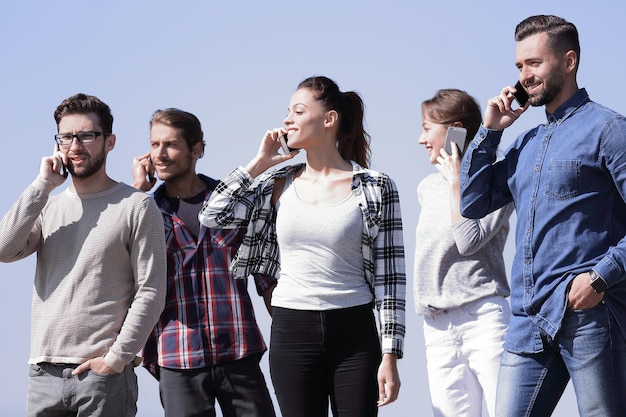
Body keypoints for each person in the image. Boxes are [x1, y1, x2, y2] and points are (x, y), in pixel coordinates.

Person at [199, 75, 406, 417]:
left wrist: (390, 355)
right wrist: (260, 163)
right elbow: (212, 215)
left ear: (329, 119)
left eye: (298, 111)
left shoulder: (376, 187)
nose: (287, 120)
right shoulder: (276, 184)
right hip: (292, 331)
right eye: (287, 112)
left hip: (355, 334)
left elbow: (391, 280)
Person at [460, 15, 626, 416]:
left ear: (569, 62)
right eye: (519, 67)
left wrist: (600, 276)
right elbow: (472, 202)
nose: (524, 76)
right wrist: (490, 132)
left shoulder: (609, 129)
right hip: (527, 321)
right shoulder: (524, 144)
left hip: (588, 313)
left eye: (534, 63)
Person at [0, 93, 167, 416]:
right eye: (66, 136)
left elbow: (151, 291)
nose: (75, 145)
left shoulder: (137, 206)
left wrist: (116, 359)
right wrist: (41, 185)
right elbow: (5, 249)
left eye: (87, 135)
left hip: (102, 376)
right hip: (42, 373)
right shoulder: (47, 205)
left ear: (109, 141)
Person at [131, 108, 277, 417]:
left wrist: (293, 341)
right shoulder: (145, 213)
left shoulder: (236, 204)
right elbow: (118, 269)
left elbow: (267, 281)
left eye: (170, 144)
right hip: (177, 358)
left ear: (197, 149)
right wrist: (137, 193)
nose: (160, 154)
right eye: (154, 144)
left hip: (238, 352)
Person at [414, 88, 513, 417]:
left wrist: (458, 180)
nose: (420, 139)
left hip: (483, 318)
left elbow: (469, 240)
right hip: (437, 326)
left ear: (455, 129)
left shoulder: (495, 181)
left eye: (427, 128)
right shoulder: (427, 189)